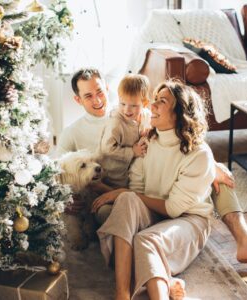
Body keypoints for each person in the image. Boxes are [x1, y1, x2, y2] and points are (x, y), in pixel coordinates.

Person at [57, 67, 247, 263]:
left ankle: (244, 240)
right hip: (113, 191)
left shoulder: (128, 109)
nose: (97, 99)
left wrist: (210, 163)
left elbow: (176, 136)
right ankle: (152, 247)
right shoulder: (71, 133)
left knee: (220, 172)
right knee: (109, 213)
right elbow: (57, 176)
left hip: (144, 181)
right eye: (88, 96)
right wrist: (64, 201)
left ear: (108, 89)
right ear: (77, 99)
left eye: (99, 91)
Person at [92, 80, 215, 300]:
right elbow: (137, 190)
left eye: (161, 101)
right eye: (154, 100)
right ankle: (123, 294)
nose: (153, 106)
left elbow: (174, 208)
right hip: (156, 213)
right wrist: (125, 195)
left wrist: (123, 193)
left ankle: (160, 288)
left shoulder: (199, 154)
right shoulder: (148, 141)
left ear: (179, 112)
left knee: (144, 240)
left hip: (189, 219)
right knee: (127, 201)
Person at [99, 74, 151, 188]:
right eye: (122, 104)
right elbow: (106, 148)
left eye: (134, 105)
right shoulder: (116, 123)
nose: (127, 109)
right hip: (114, 175)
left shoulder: (147, 115)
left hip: (134, 172)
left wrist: (148, 132)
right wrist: (132, 151)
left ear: (145, 103)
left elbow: (151, 126)